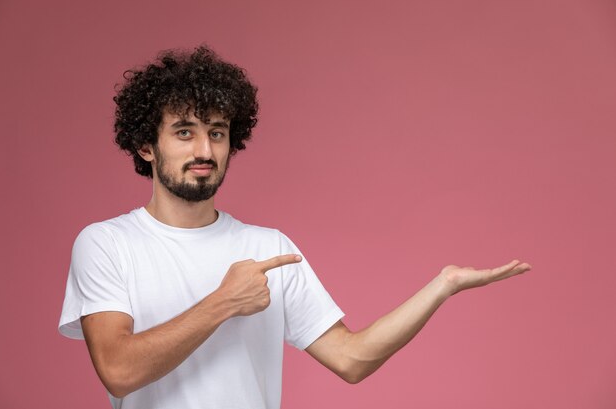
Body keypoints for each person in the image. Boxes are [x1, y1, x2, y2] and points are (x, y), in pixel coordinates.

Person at [58, 46, 532, 409]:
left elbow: (351, 359)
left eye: (217, 132)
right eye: (185, 131)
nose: (204, 149)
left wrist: (442, 286)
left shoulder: (268, 248)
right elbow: (117, 370)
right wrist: (225, 302)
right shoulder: (107, 243)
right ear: (145, 145)